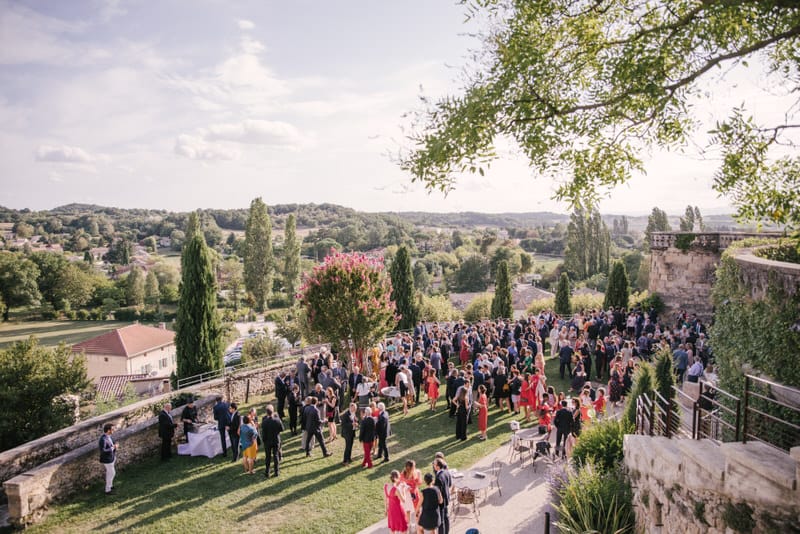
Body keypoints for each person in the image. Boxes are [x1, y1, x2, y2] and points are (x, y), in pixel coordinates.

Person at [260, 404, 284, 478]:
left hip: (267, 441)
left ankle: (267, 472)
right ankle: (276, 471)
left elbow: (263, 431)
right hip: (276, 440)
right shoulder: (277, 420)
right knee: (276, 456)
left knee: (268, 457)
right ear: (273, 412)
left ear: (266, 413)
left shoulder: (264, 421)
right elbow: (282, 429)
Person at [433, 458, 452, 534]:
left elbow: (437, 492)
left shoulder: (438, 478)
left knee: (441, 521)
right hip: (446, 498)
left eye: (434, 464)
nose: (433, 466)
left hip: (441, 501)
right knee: (446, 517)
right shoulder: (446, 472)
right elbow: (449, 484)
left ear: (438, 466)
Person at [98, 423, 118, 495]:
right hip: (107, 460)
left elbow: (112, 443)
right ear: (108, 430)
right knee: (112, 473)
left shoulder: (109, 436)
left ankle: (111, 486)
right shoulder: (103, 439)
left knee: (109, 473)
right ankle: (108, 490)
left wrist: (115, 446)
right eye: (112, 429)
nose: (114, 430)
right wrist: (113, 448)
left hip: (111, 458)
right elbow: (103, 451)